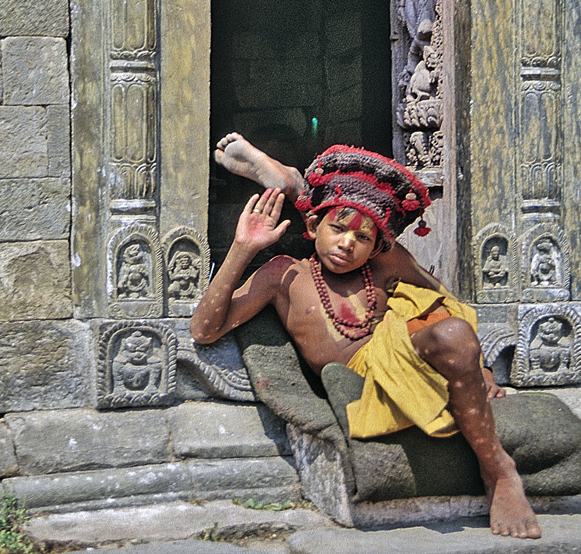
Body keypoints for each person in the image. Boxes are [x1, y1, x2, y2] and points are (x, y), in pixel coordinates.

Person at [190, 134, 541, 540]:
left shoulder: (384, 263)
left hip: (402, 356)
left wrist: (478, 366)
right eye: (338, 228)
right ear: (313, 225)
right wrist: (243, 247)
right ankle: (294, 184)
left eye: (363, 238)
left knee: (453, 330)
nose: (347, 244)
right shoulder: (284, 274)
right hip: (358, 378)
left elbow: (442, 300)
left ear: (376, 246)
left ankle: (498, 470)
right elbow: (204, 329)